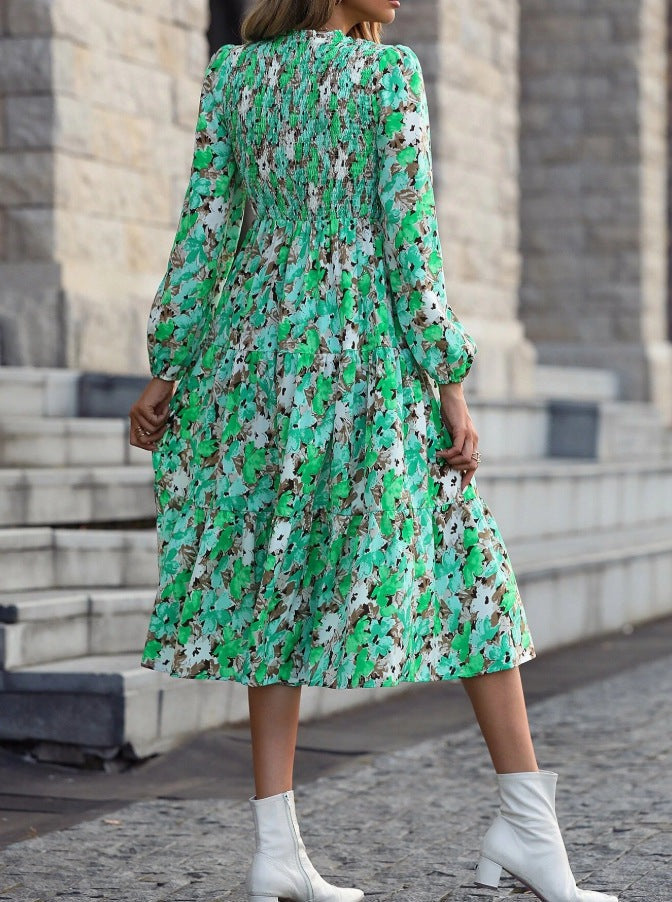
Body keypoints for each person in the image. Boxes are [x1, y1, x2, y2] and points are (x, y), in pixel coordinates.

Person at [128, 2, 619, 900]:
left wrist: (169, 364)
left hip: (256, 362)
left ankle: (279, 847)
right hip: (361, 360)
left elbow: (204, 231)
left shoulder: (235, 74)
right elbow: (409, 243)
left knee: (277, 580)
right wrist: (450, 379)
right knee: (467, 566)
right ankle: (526, 827)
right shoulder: (386, 78)